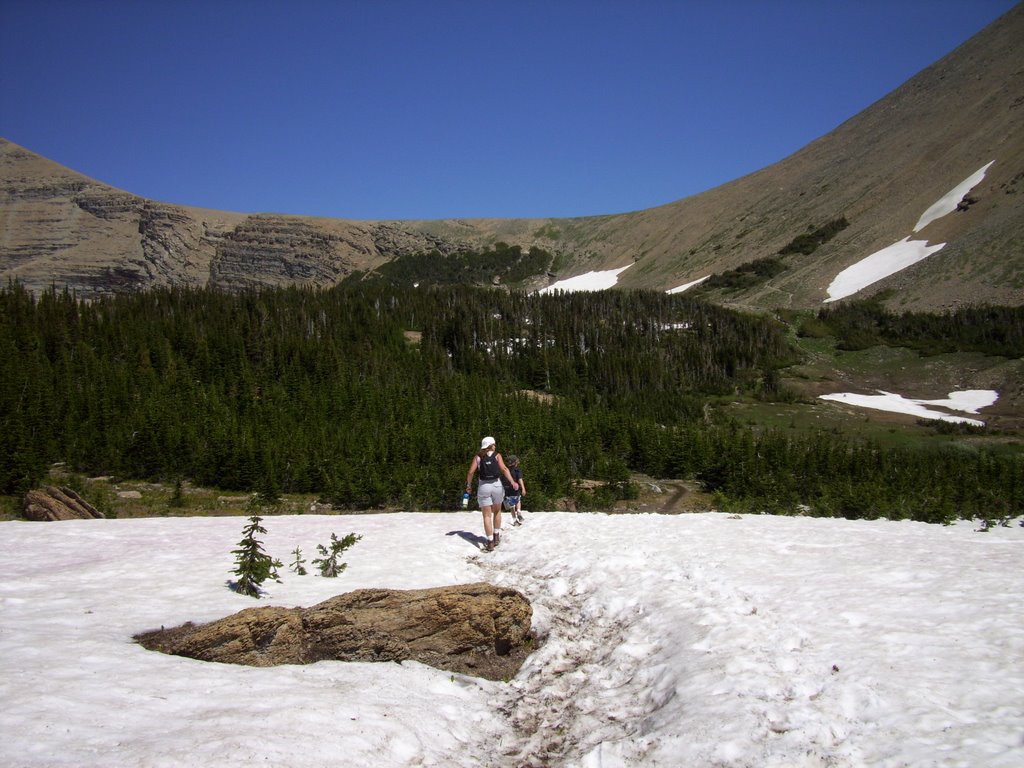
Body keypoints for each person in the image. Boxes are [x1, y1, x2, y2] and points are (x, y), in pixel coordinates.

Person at [466, 436, 519, 551]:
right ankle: (496, 536)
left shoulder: (478, 457)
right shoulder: (497, 456)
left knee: (486, 515)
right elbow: (504, 469)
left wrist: (469, 486)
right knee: (497, 511)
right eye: (494, 444)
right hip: (497, 486)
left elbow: (470, 472)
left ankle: (490, 542)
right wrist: (512, 481)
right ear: (491, 445)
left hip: (484, 486)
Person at [502, 454, 527, 525]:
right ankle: (519, 511)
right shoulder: (517, 470)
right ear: (515, 462)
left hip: (507, 489)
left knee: (511, 505)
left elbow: (502, 480)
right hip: (515, 488)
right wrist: (523, 488)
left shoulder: (505, 470)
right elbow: (520, 479)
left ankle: (514, 520)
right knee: (518, 500)